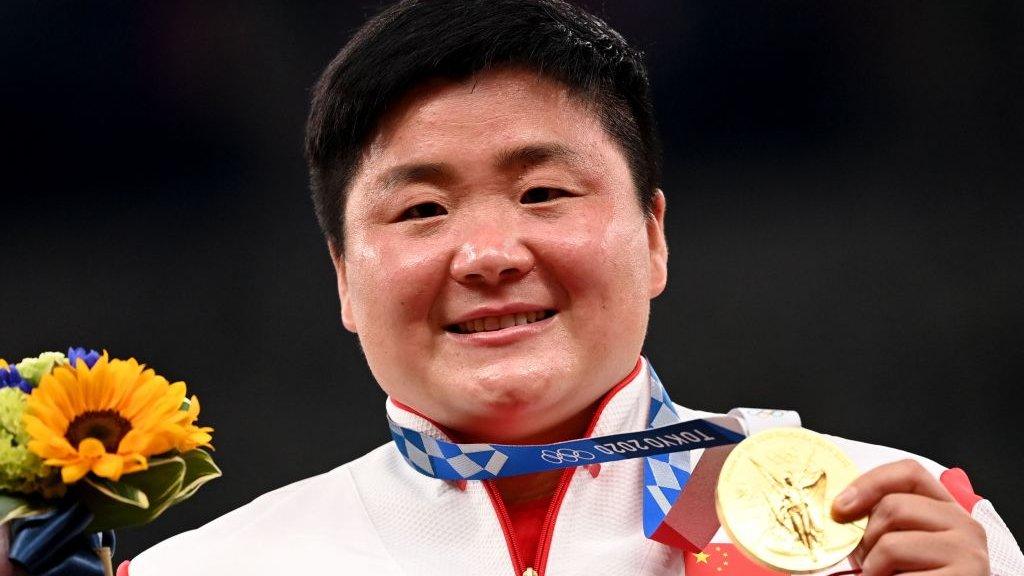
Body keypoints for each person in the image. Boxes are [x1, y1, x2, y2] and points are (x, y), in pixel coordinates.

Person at [107, 0, 1023, 574]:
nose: (488, 253)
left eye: (543, 192)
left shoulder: (898, 524)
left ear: (654, 237)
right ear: (345, 281)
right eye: (422, 210)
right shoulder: (214, 567)